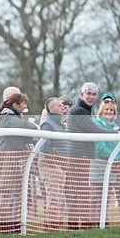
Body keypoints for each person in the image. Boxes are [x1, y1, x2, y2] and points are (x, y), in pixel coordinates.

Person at [64, 82, 120, 230]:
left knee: (80, 193)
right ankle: (75, 227)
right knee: (77, 193)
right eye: (88, 94)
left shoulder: (85, 110)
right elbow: (95, 130)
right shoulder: (79, 111)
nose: (91, 97)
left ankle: (81, 227)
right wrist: (117, 133)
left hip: (83, 157)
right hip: (78, 157)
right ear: (82, 95)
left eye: (94, 94)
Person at [0, 92, 38, 233]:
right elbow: (24, 126)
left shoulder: (14, 117)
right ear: (15, 105)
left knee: (16, 193)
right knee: (5, 192)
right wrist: (34, 127)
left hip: (14, 159)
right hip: (5, 160)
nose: (25, 106)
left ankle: (15, 227)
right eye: (23, 103)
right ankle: (4, 228)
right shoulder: (7, 118)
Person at [93, 99, 120, 225]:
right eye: (106, 109)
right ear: (101, 111)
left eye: (111, 110)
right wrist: (115, 159)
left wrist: (118, 161)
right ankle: (98, 224)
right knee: (99, 197)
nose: (109, 112)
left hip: (114, 166)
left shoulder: (115, 126)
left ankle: (106, 223)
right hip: (100, 167)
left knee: (107, 197)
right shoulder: (97, 124)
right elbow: (100, 148)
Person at [39, 97, 68, 230]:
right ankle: (50, 227)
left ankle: (56, 225)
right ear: (51, 108)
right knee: (54, 198)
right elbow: (45, 147)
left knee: (59, 198)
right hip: (51, 166)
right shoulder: (47, 124)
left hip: (60, 166)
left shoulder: (59, 123)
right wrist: (56, 161)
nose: (62, 107)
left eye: (62, 105)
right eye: (59, 105)